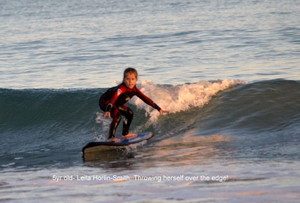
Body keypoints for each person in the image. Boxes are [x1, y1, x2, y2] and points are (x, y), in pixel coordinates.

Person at [99, 68, 168, 142]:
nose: (130, 81)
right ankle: (110, 138)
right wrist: (108, 109)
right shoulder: (121, 89)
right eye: (127, 79)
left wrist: (159, 109)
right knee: (117, 115)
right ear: (124, 79)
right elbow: (114, 98)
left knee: (129, 113)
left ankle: (125, 133)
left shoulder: (135, 90)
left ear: (136, 80)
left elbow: (146, 99)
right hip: (106, 102)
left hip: (116, 103)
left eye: (132, 79)